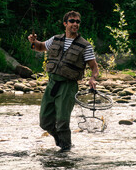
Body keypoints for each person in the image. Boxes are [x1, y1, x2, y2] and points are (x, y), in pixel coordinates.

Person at [28, 11, 99, 151]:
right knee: (44, 121)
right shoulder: (55, 39)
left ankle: (66, 150)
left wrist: (92, 78)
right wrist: (33, 42)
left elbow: (94, 67)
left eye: (78, 22)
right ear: (65, 23)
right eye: (72, 21)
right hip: (52, 83)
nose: (75, 24)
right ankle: (60, 140)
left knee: (62, 121)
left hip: (68, 86)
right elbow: (40, 47)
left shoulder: (85, 45)